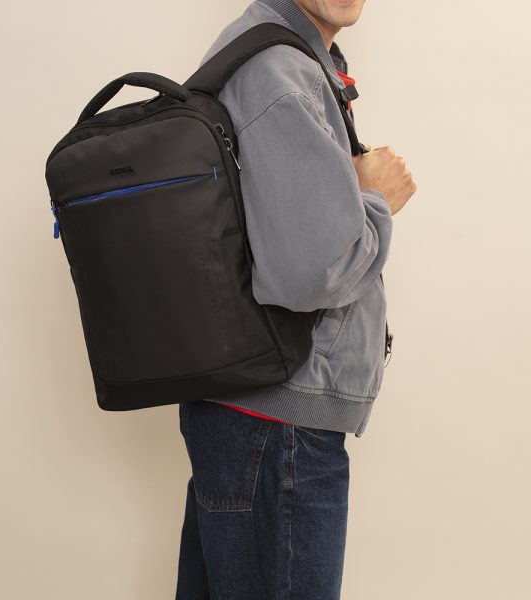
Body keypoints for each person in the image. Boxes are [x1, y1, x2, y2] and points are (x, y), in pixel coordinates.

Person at [176, 1, 416, 598]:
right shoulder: (279, 73)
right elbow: (314, 272)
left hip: (253, 418)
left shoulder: (275, 53)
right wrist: (376, 200)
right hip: (280, 430)